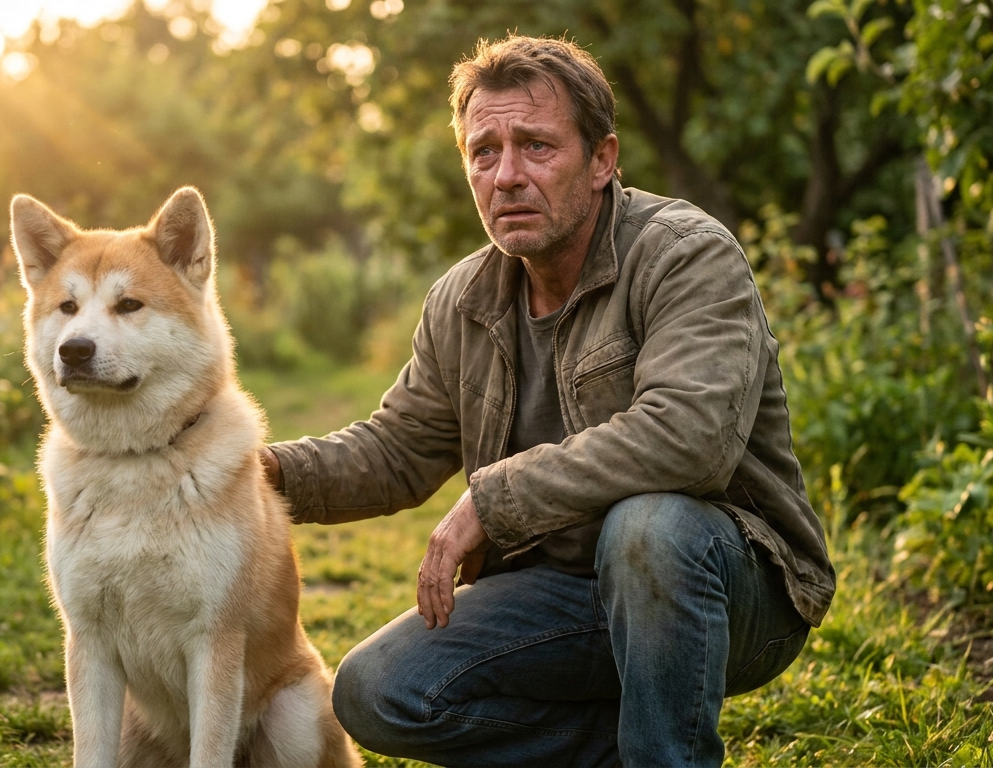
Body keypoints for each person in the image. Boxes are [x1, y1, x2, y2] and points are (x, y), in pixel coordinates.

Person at [259, 34, 835, 767]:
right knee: (378, 690)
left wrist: (490, 501)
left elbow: (688, 436)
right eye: (484, 151)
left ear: (603, 160)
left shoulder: (686, 253)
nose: (506, 176)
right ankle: (629, 747)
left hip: (728, 589)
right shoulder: (462, 300)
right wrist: (262, 472)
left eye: (536, 146)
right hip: (563, 598)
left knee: (647, 525)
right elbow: (395, 450)